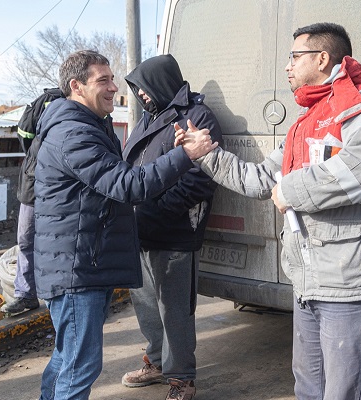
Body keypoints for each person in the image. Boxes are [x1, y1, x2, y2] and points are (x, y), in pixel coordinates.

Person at [176, 23, 361, 400]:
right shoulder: (305, 122)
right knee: (309, 387)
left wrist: (290, 190)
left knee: (346, 392)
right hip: (309, 281)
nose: (287, 67)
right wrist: (207, 155)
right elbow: (261, 179)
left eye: (295, 57)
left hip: (350, 284)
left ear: (322, 58)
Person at [33, 50, 217, 400]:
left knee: (68, 359)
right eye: (103, 80)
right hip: (77, 267)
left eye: (113, 79)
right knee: (79, 365)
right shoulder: (74, 132)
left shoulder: (88, 124)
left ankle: (179, 375)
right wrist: (186, 155)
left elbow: (186, 182)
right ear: (76, 86)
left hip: (94, 258)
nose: (114, 88)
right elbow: (128, 183)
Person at [121, 54, 223, 400]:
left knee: (175, 310)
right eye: (136, 90)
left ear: (162, 82)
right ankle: (158, 362)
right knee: (147, 303)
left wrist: (157, 211)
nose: (142, 96)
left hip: (174, 229)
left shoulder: (195, 116)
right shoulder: (151, 118)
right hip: (140, 229)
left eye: (144, 88)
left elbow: (200, 179)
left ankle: (182, 378)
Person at [0, 87, 64, 315]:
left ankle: (61, 298)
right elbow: (25, 135)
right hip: (33, 184)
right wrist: (40, 157)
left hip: (66, 188)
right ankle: (26, 295)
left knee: (62, 242)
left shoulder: (90, 101)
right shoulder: (45, 100)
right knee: (26, 241)